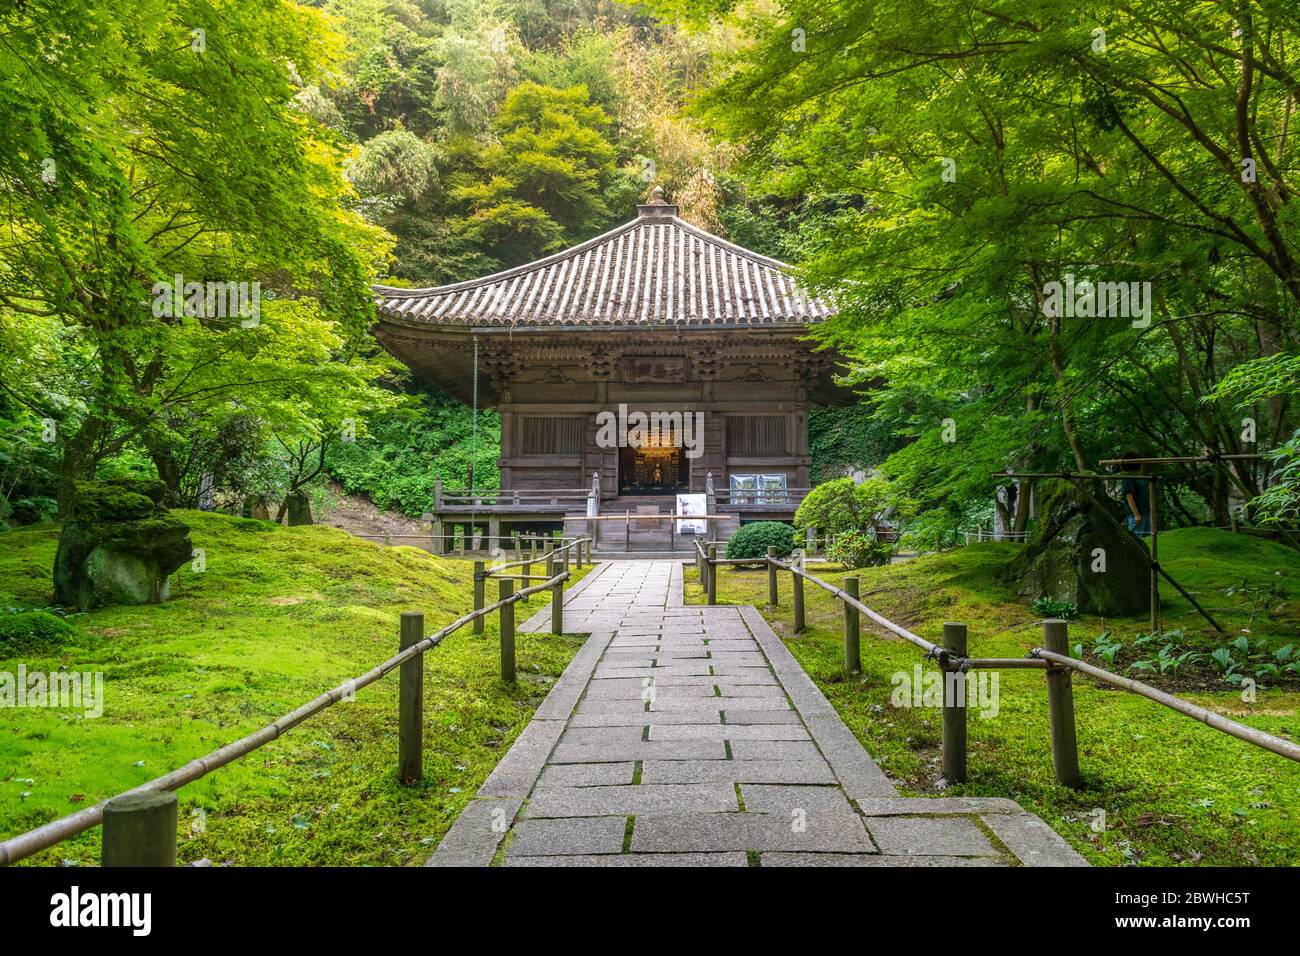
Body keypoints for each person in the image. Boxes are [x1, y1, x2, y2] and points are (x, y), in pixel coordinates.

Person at [1119, 451, 1151, 535]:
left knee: (1147, 539)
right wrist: (1136, 514)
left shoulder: (1139, 477)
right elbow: (1129, 497)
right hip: (1137, 515)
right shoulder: (1127, 478)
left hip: (1145, 512)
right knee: (1137, 538)